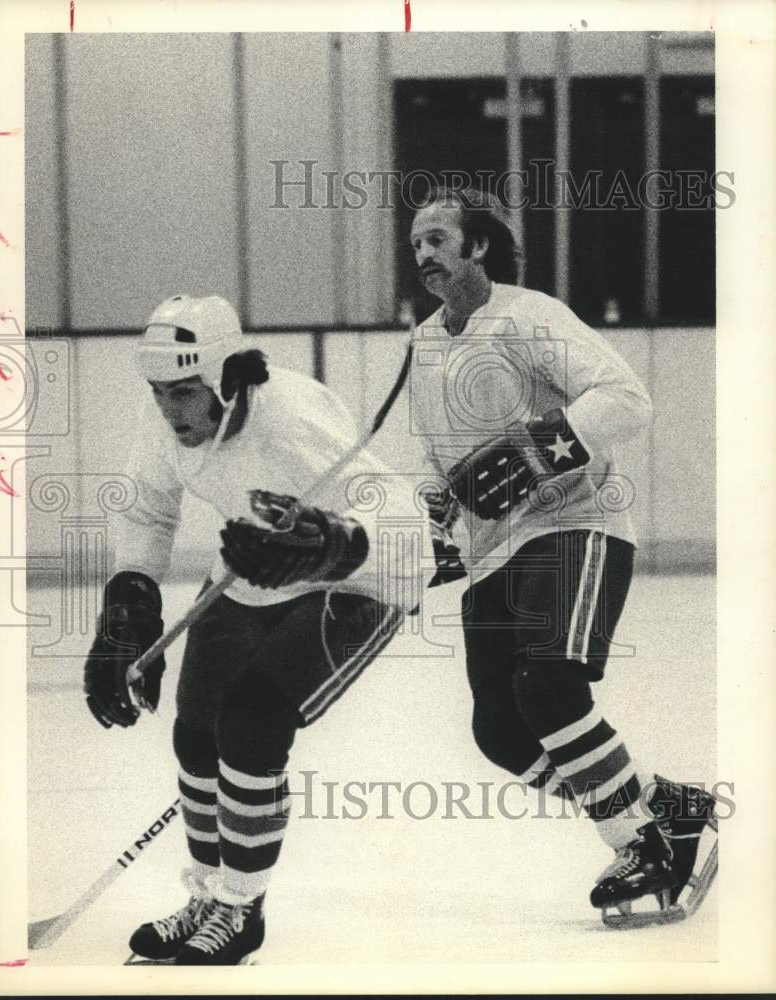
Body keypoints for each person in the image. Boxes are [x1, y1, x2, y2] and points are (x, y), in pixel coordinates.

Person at [83, 294, 429, 965]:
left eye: (184, 393)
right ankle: (211, 893)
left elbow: (409, 530)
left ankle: (241, 908)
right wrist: (129, 607)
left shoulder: (293, 420)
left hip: (360, 581)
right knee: (196, 729)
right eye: (159, 393)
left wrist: (328, 545)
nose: (170, 412)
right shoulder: (168, 424)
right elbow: (149, 509)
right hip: (256, 571)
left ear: (227, 378)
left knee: (252, 717)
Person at [406, 185, 717, 928]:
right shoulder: (422, 342)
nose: (423, 256)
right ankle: (666, 804)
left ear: (479, 245)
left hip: (575, 523)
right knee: (500, 731)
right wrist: (438, 505)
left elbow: (625, 398)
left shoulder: (530, 315)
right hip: (492, 551)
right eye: (416, 243)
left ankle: (644, 840)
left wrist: (529, 457)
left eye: (438, 240)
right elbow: (437, 455)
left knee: (547, 687)